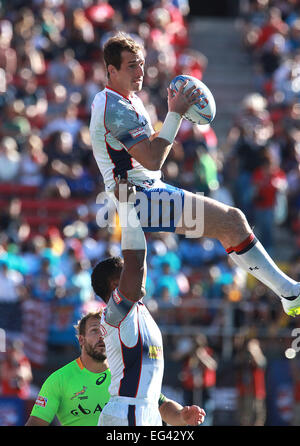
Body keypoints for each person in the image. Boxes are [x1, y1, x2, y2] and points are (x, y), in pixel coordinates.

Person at [89, 32, 300, 317]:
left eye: (140, 63)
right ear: (111, 71)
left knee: (134, 288)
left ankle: (105, 329)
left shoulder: (128, 99)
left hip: (140, 194)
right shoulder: (112, 106)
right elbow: (152, 160)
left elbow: (147, 150)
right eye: (131, 66)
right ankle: (290, 293)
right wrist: (175, 114)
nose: (140, 71)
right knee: (232, 222)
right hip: (138, 198)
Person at [91, 179, 205, 426]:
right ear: (115, 285)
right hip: (126, 415)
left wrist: (180, 416)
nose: (141, 273)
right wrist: (127, 208)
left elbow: (156, 399)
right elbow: (135, 262)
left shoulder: (139, 312)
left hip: (143, 414)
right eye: (127, 273)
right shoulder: (114, 313)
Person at [26, 305, 205, 426]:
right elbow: (36, 423)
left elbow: (161, 405)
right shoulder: (59, 380)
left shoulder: (128, 373)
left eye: (106, 331)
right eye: (95, 331)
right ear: (81, 340)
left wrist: (182, 415)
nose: (102, 337)